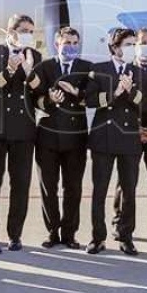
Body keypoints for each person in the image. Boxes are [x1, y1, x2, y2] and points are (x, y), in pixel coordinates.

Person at [0, 14, 42, 251]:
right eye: (23, 29)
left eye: (31, 31)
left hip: (24, 128)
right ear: (10, 30)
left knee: (21, 183)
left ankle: (15, 233)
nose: (27, 34)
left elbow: (38, 90)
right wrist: (9, 70)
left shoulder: (35, 56)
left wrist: (29, 71)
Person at [28, 26, 92, 249]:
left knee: (73, 187)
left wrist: (77, 93)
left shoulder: (87, 69)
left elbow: (92, 98)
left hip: (75, 137)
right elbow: (35, 99)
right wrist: (50, 99)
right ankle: (53, 231)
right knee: (49, 186)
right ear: (57, 44)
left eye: (75, 43)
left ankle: (70, 233)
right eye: (67, 43)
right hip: (48, 136)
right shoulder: (44, 67)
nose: (71, 47)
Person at [85, 28, 144, 255]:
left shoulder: (137, 71)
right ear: (115, 47)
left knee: (129, 190)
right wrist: (116, 92)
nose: (132, 49)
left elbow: (143, 103)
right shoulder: (98, 70)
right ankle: (97, 237)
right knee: (99, 190)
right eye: (128, 44)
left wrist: (129, 92)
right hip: (104, 138)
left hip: (129, 139)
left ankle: (126, 235)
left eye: (133, 44)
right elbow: (90, 100)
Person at [112, 27, 147, 239]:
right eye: (141, 42)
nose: (145, 46)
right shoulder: (126, 69)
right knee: (125, 182)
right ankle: (120, 223)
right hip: (131, 132)